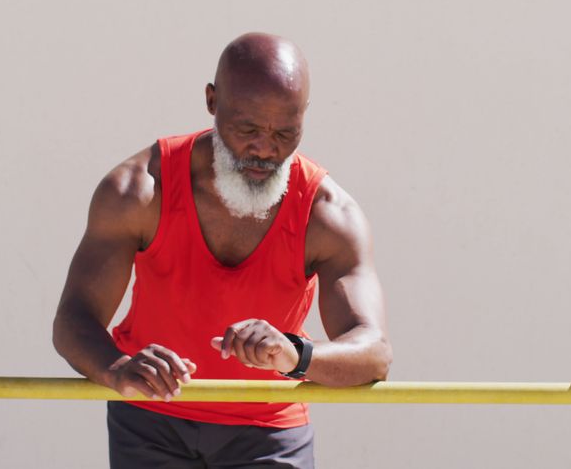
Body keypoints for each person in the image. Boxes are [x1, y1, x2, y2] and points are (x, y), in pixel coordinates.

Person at [53, 32, 392, 468]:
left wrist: (294, 355)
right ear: (212, 101)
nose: (265, 149)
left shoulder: (328, 214)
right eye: (247, 128)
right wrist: (114, 368)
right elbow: (73, 319)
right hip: (150, 419)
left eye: (286, 132)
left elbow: (374, 353)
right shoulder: (138, 191)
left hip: (269, 429)